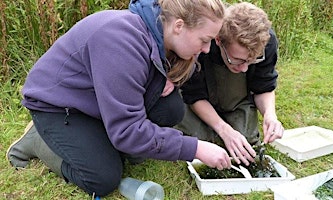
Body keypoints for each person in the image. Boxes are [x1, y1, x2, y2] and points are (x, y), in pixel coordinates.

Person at [6, 0, 230, 197]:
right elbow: (127, 131)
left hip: (95, 100)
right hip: (59, 105)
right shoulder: (122, 41)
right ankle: (37, 141)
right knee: (103, 179)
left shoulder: (162, 33)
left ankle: (100, 141)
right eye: (204, 40)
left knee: (170, 109)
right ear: (179, 26)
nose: (207, 49)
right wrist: (195, 148)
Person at [175, 2, 284, 166]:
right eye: (238, 60)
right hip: (197, 99)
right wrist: (224, 130)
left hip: (234, 99)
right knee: (202, 141)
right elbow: (194, 94)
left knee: (246, 141)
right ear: (218, 40)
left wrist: (270, 115)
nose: (244, 68)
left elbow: (264, 86)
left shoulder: (266, 41)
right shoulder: (203, 42)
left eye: (251, 61)